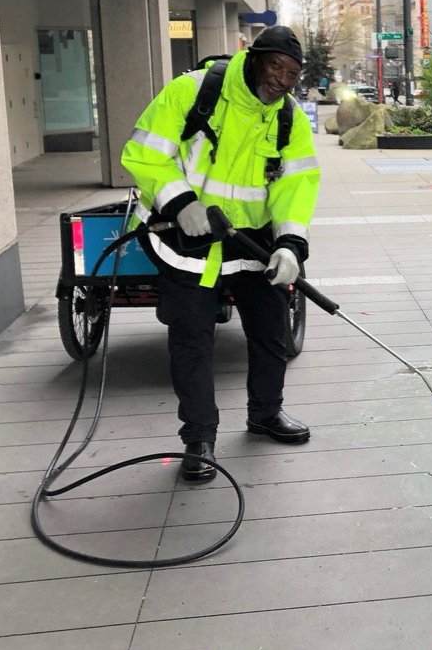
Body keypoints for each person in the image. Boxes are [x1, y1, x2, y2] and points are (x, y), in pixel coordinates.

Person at [121, 25, 321, 484]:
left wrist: (291, 243)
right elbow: (143, 153)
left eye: (292, 73)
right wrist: (181, 203)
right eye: (276, 67)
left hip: (252, 243)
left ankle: (266, 414)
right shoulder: (193, 91)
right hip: (187, 241)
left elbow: (297, 184)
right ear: (253, 57)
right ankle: (198, 438)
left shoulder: (288, 117)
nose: (282, 80)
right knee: (192, 340)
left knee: (271, 332)